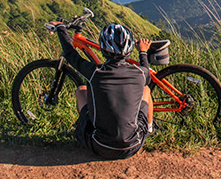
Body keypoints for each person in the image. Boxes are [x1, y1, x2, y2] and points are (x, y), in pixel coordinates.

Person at [51, 21, 153, 159]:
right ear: (129, 49)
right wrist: (143, 52)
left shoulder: (94, 72)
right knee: (146, 90)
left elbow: (70, 53)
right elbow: (146, 71)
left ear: (103, 48)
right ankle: (150, 129)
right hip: (132, 146)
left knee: (81, 90)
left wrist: (61, 28)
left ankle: (84, 127)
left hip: (99, 146)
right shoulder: (140, 73)